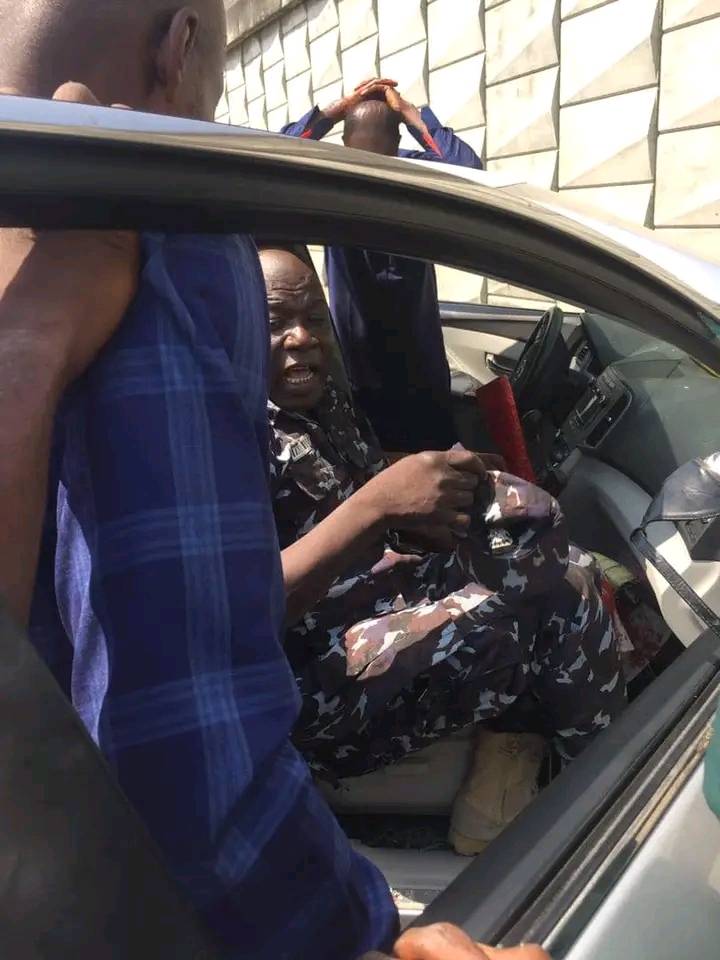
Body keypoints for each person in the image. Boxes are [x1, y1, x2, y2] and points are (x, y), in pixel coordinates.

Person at [2, 3, 547, 959]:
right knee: (513, 613)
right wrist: (360, 939)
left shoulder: (67, 259)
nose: (295, 338)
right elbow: (184, 762)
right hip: (211, 899)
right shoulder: (165, 235)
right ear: (180, 47)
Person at [261, 246, 626, 853]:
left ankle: (533, 761)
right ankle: (603, 798)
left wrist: (433, 481)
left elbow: (353, 487)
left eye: (315, 318)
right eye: (275, 323)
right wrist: (378, 506)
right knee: (563, 593)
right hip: (307, 684)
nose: (302, 339)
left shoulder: (322, 403)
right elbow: (245, 609)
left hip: (365, 595)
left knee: (534, 538)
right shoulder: (230, 434)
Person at [283, 80, 482, 453]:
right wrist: (345, 111)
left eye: (378, 159)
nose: (369, 170)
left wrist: (407, 114)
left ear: (395, 149)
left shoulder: (405, 175)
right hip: (365, 375)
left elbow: (471, 171)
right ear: (345, 148)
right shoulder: (340, 180)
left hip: (417, 370)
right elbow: (271, 157)